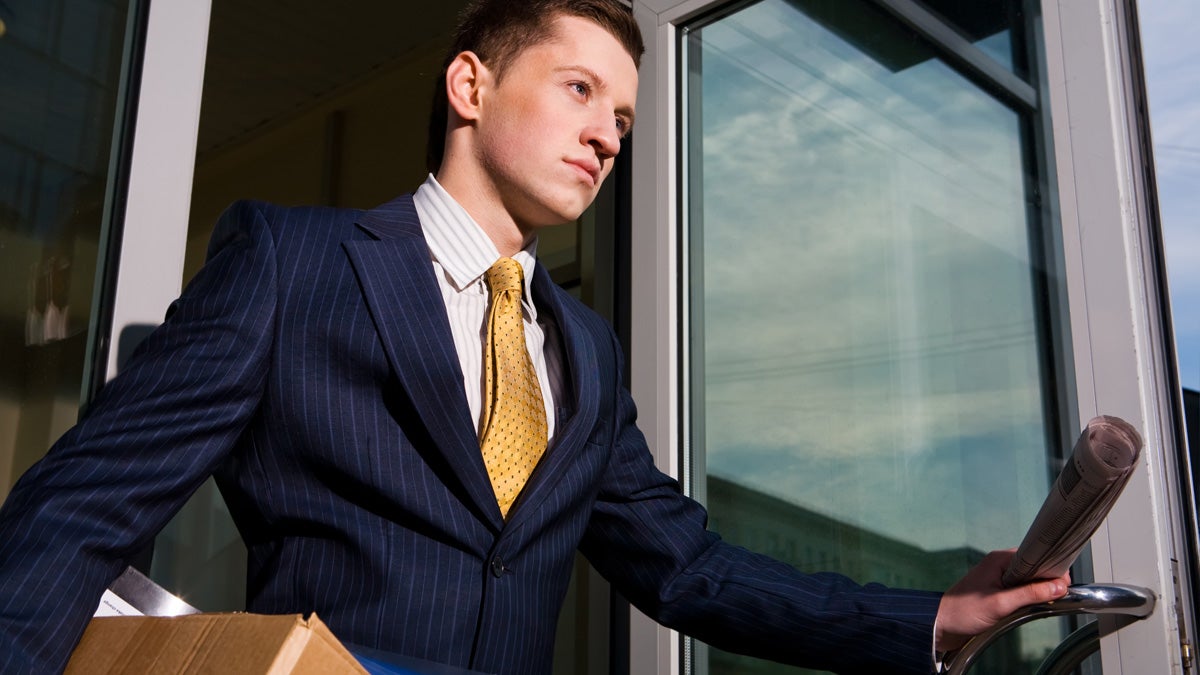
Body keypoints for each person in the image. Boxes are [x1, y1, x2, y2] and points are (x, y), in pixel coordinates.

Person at [0, 1, 1069, 673]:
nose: (609, 132)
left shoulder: (588, 355)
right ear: (471, 84)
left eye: (626, 119)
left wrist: (929, 613)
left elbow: (687, 570)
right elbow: (86, 504)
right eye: (580, 90)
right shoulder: (294, 262)